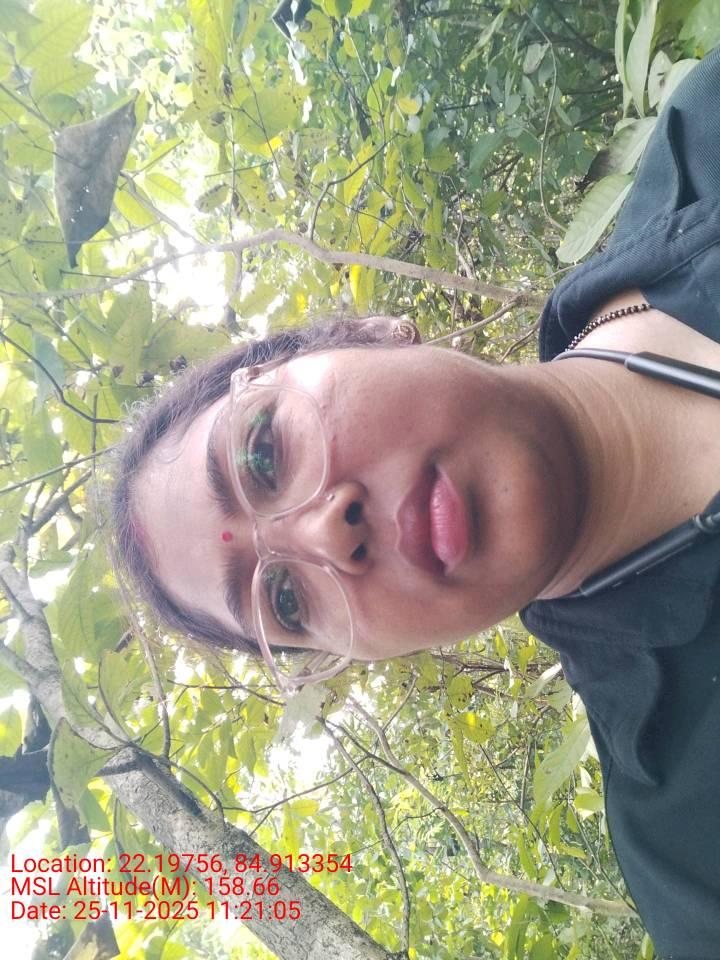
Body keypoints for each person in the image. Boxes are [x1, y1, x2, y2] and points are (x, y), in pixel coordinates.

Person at [110, 47, 720, 958]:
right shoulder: (695, 854)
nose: (329, 531)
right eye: (285, 600)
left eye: (265, 453)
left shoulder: (707, 135)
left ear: (367, 334)